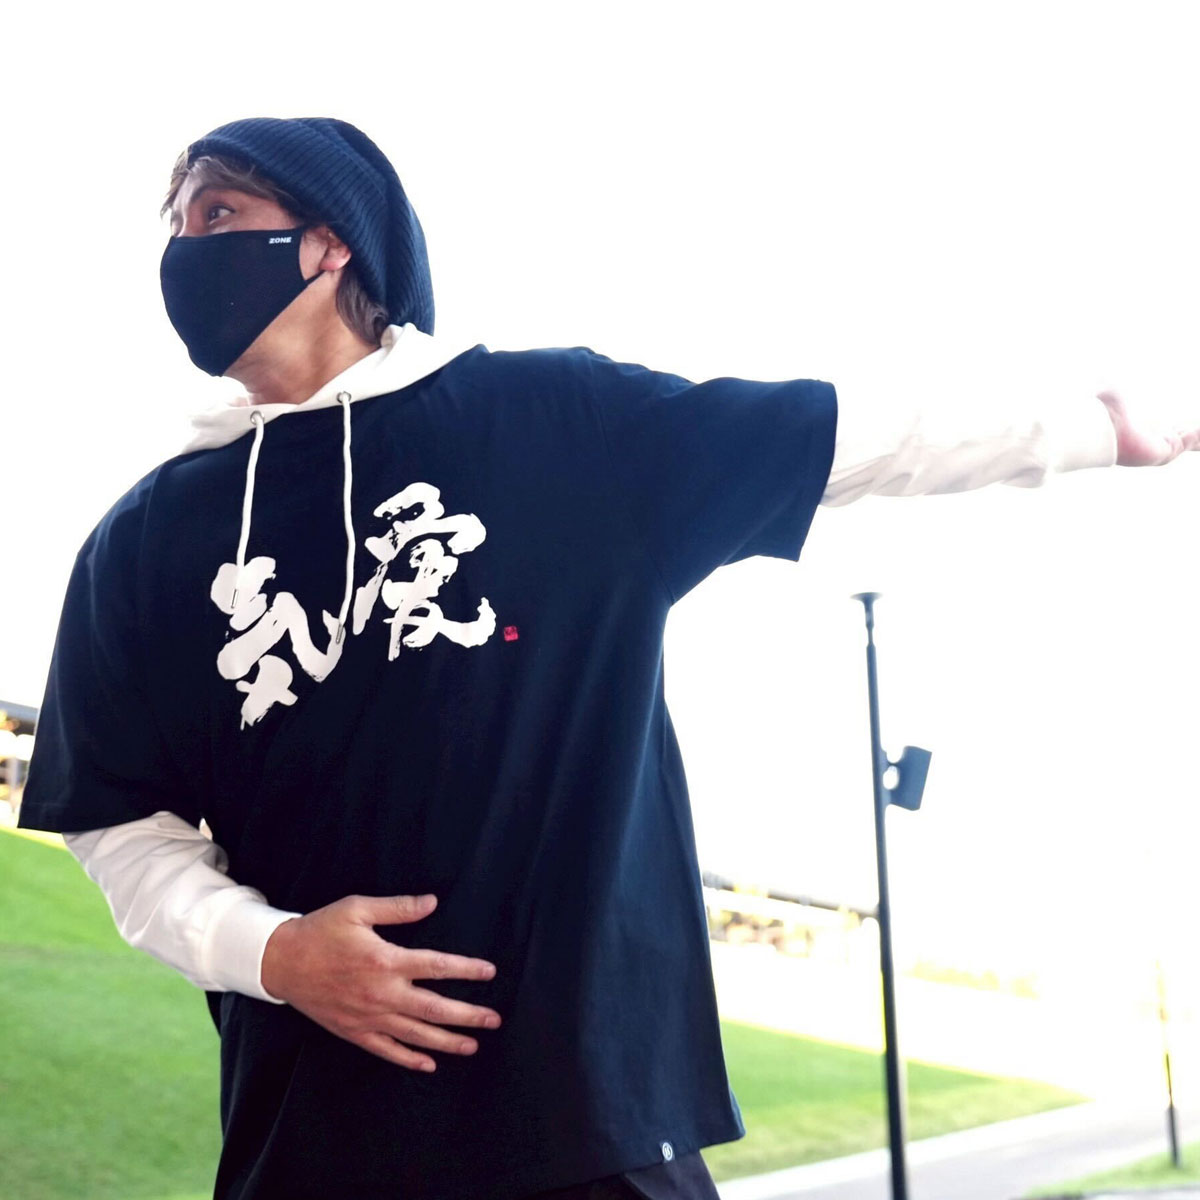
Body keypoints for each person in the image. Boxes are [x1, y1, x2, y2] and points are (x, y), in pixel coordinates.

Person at [18, 116, 1198, 1200]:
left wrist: (1093, 428)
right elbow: (120, 829)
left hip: (591, 1136)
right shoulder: (146, 538)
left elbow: (849, 437)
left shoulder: (554, 426)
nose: (184, 253)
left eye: (218, 215)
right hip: (311, 1145)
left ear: (329, 244)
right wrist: (274, 953)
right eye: (177, 226)